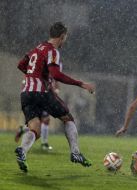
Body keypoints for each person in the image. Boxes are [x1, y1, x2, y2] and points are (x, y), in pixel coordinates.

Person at [15, 22, 95, 173]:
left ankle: (22, 151)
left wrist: (33, 76)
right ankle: (75, 153)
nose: (65, 41)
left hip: (26, 93)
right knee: (68, 118)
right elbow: (56, 75)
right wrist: (81, 84)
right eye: (65, 38)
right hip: (41, 92)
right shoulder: (52, 51)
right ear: (62, 36)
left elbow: (21, 65)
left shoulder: (36, 49)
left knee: (35, 128)